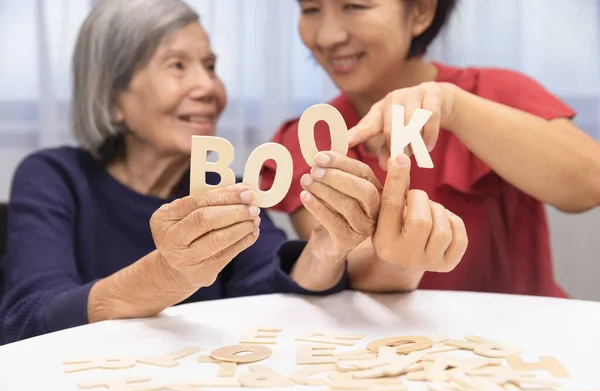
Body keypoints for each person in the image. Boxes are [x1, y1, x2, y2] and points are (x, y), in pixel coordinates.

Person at [0, 0, 426, 345]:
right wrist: (169, 274)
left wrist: (327, 250)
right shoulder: (54, 176)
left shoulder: (219, 183)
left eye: (210, 65)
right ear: (111, 95)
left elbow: (272, 284)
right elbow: (29, 319)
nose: (208, 87)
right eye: (177, 66)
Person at [261, 0, 600, 297]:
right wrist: (397, 257)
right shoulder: (309, 137)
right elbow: (344, 262)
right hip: (388, 354)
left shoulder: (496, 92)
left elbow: (588, 184)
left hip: (519, 344)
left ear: (421, 11)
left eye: (355, 6)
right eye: (310, 9)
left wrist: (453, 108)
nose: (327, 36)